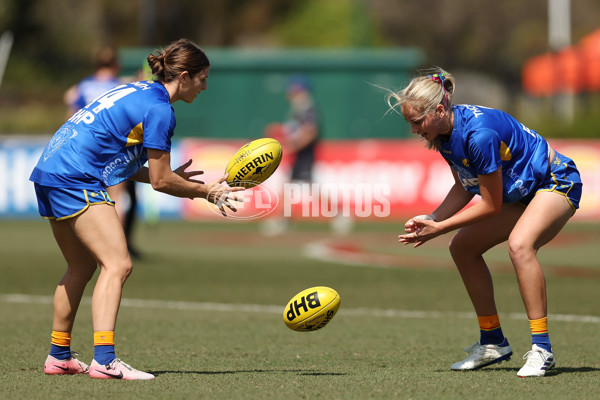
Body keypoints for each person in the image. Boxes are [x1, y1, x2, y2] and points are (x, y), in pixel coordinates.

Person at [30, 38, 244, 380]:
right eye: (203, 78)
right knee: (118, 264)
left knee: (81, 266)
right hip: (75, 177)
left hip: (50, 170)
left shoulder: (140, 90)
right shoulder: (161, 111)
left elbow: (127, 165)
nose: (205, 86)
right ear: (185, 77)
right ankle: (104, 360)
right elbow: (162, 182)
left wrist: (177, 180)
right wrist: (206, 192)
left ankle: (59, 356)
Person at [387, 68, 582, 377]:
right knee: (463, 247)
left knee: (520, 246)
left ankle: (542, 349)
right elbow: (466, 185)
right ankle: (493, 341)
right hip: (519, 191)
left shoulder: (479, 134)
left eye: (417, 121)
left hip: (554, 181)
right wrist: (434, 217)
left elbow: (490, 206)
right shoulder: (445, 134)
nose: (413, 130)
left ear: (439, 110)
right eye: (409, 122)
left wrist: (440, 227)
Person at [64, 48, 142, 258]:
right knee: (116, 198)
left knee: (86, 198)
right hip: (113, 150)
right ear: (115, 64)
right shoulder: (119, 87)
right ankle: (116, 246)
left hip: (83, 152)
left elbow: (71, 115)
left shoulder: (83, 86)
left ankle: (89, 243)